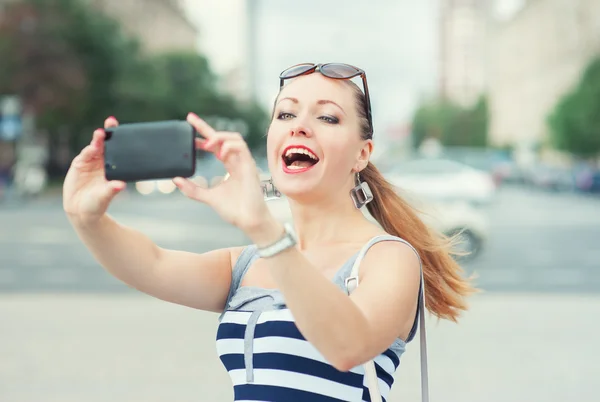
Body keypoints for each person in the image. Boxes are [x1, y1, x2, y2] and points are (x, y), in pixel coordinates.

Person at [63, 63, 476, 401]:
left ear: (361, 154)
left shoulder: (386, 257)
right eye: (286, 113)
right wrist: (87, 219)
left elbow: (348, 346)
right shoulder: (246, 263)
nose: (299, 126)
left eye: (327, 117)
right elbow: (151, 265)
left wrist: (263, 227)